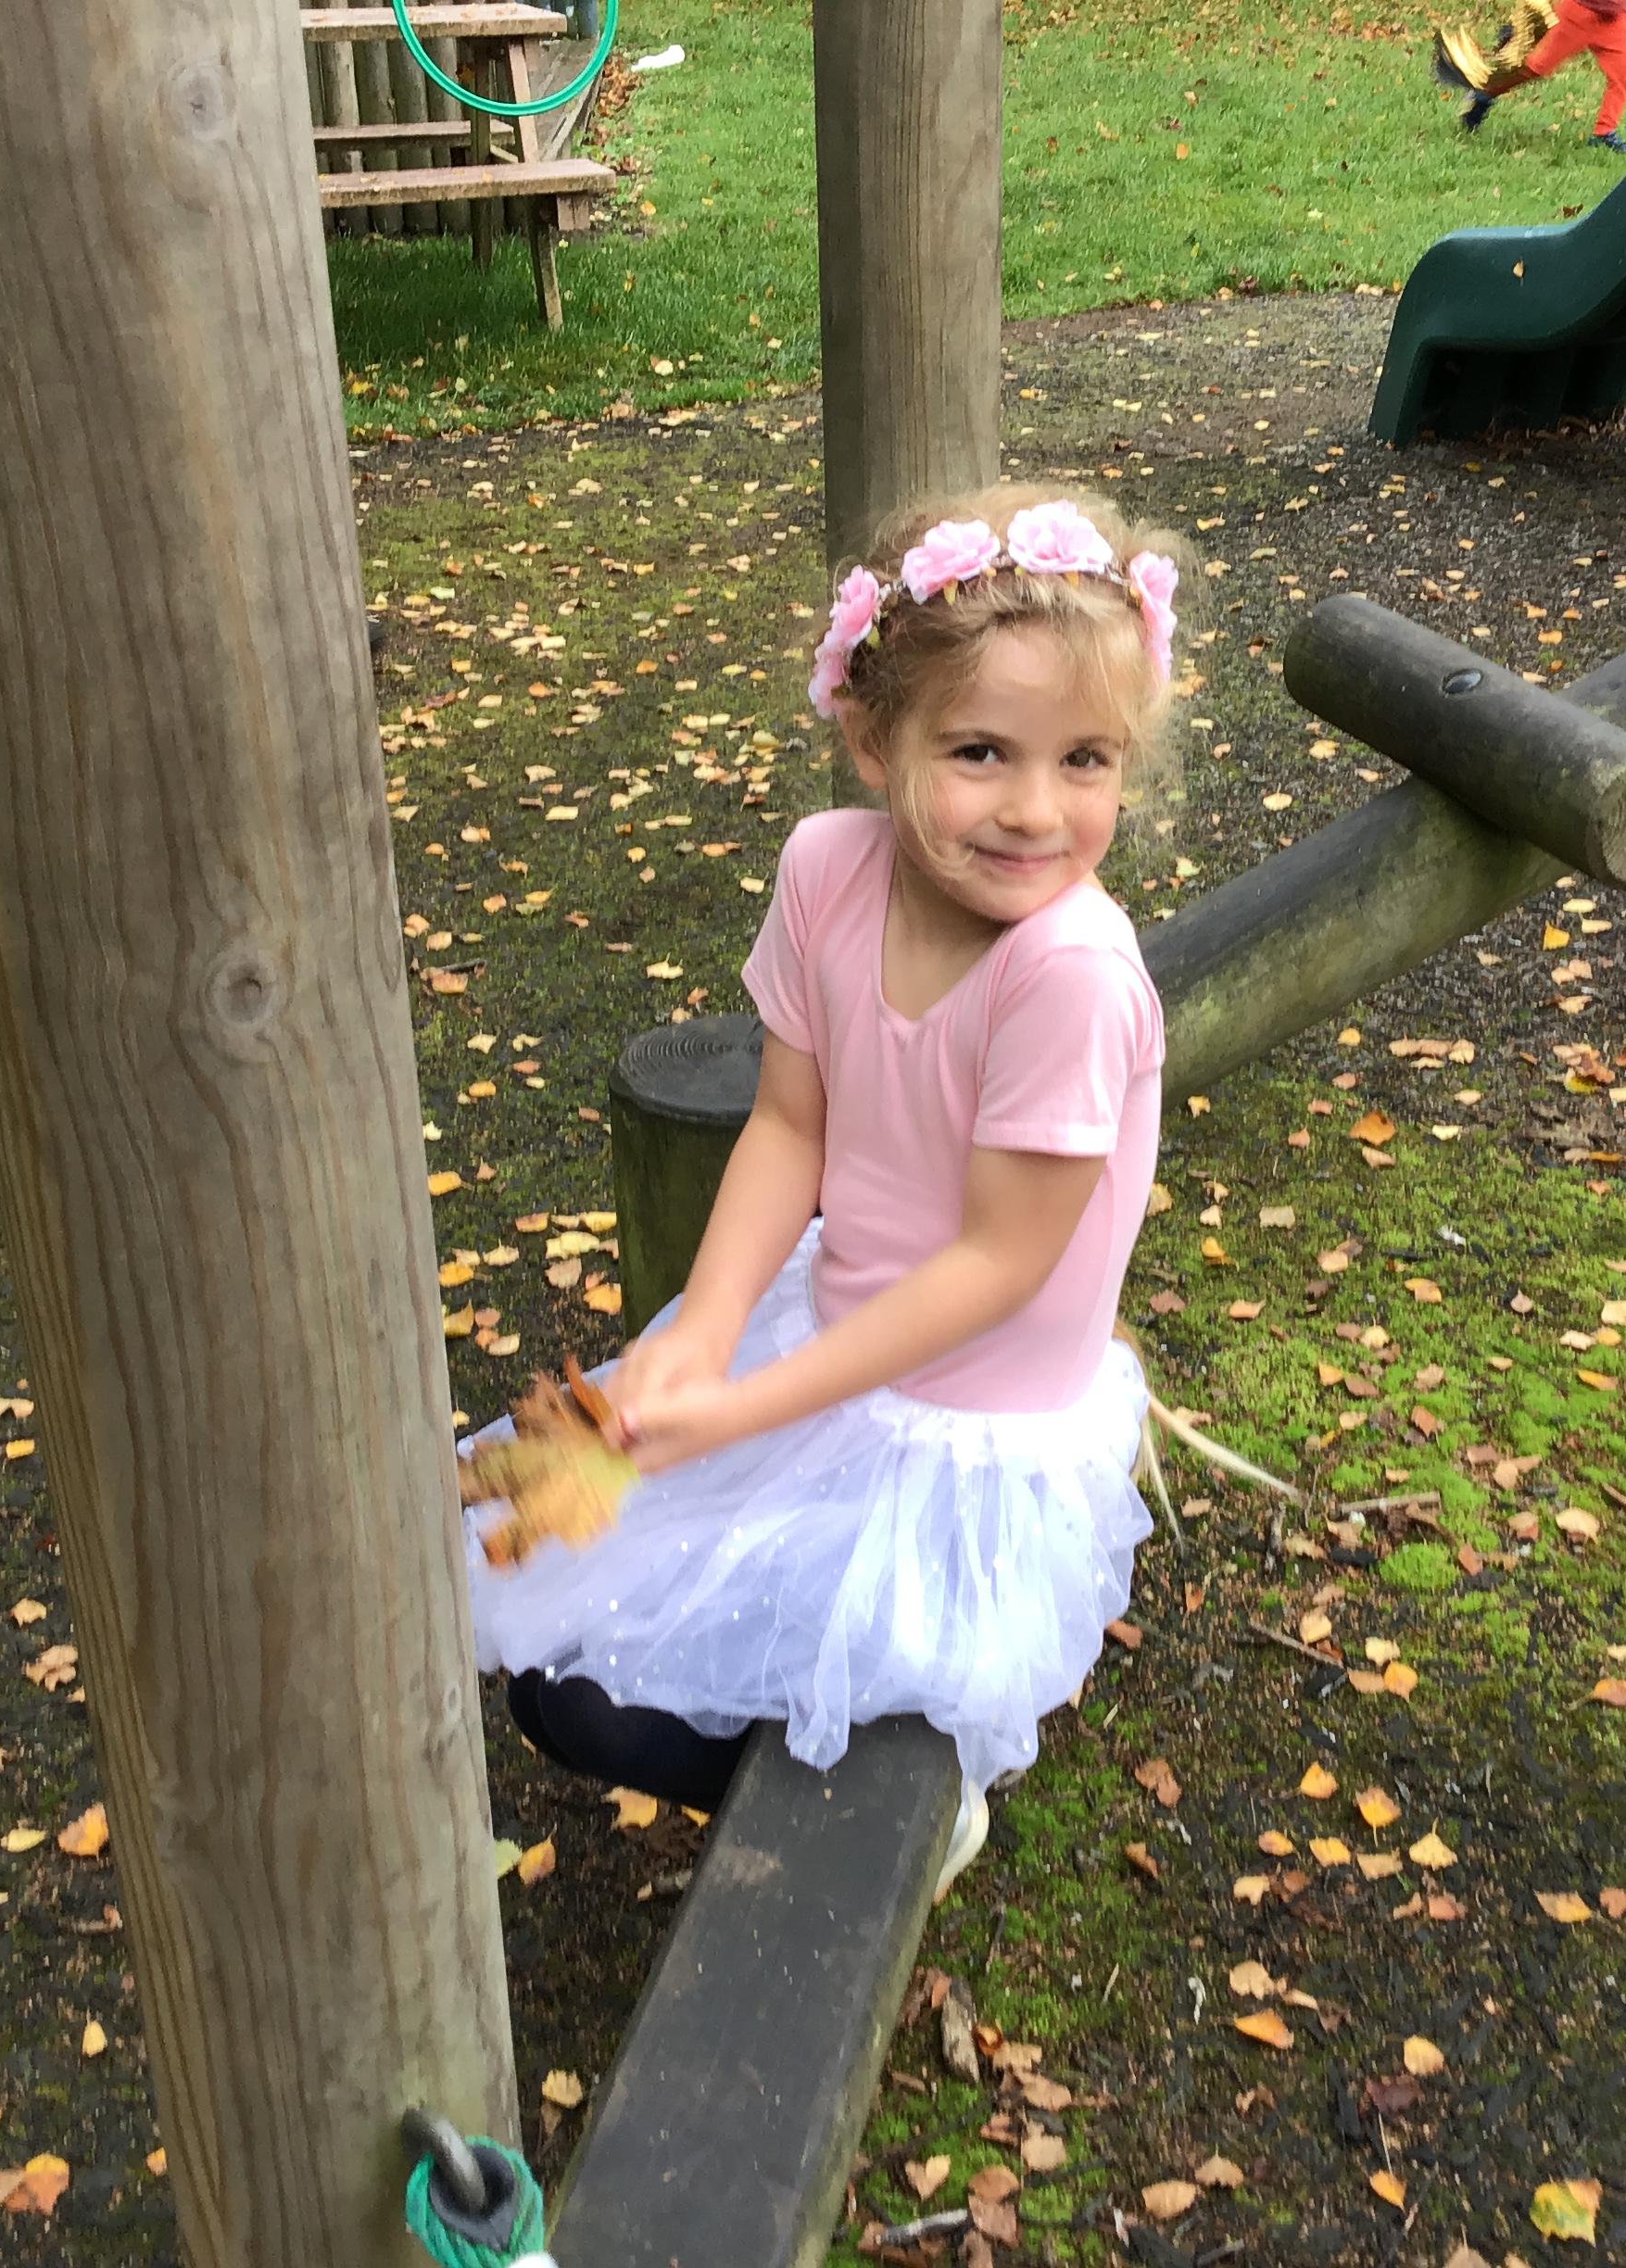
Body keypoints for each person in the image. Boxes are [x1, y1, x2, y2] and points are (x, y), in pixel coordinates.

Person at [464, 485, 1183, 1895]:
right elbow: (792, 1122)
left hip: (967, 1438)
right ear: (871, 737)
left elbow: (995, 1266)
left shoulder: (1071, 975)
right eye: (980, 752)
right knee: (548, 1651)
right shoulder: (828, 871)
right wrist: (704, 1327)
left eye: (1086, 760)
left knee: (607, 1698)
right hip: (833, 1336)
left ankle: (905, 1800)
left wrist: (738, 1413)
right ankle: (831, 1740)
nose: (1036, 810)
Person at [1432, 0, 1626, 154]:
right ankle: (1482, 95)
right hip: (1579, 13)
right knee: (1535, 67)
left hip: (1613, 17)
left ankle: (1604, 134)